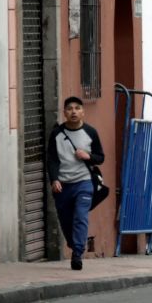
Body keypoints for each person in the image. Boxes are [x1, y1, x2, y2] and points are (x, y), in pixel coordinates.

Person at [46, 96, 105, 271]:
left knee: (80, 216)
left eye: (77, 108)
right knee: (65, 221)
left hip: (84, 182)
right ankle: (74, 244)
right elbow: (52, 160)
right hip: (62, 185)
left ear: (83, 112)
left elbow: (100, 157)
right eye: (70, 108)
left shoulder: (91, 132)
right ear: (64, 112)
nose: (73, 111)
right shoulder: (57, 134)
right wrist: (54, 179)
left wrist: (89, 156)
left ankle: (77, 254)